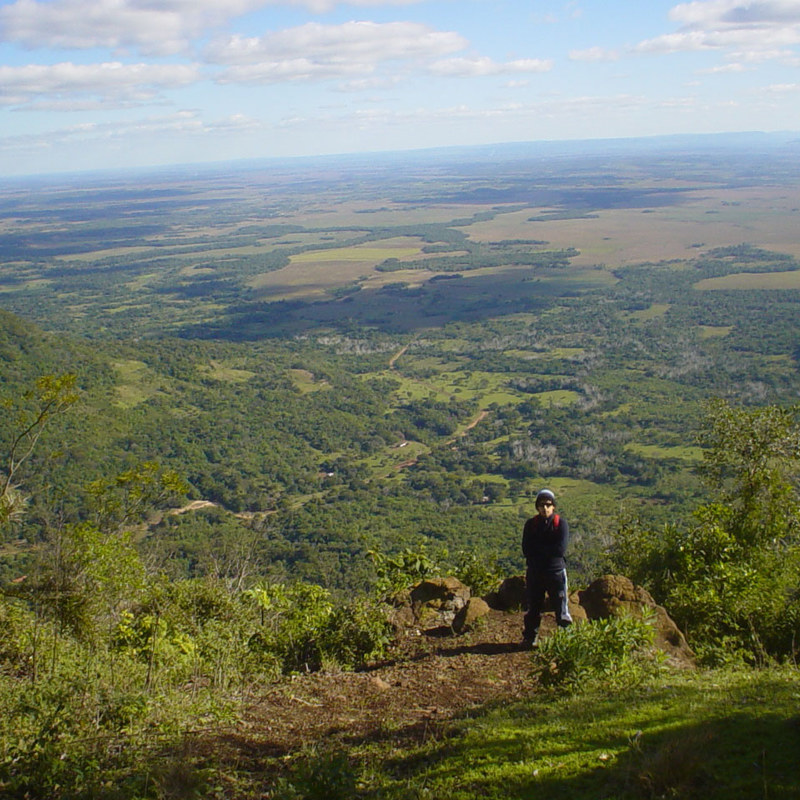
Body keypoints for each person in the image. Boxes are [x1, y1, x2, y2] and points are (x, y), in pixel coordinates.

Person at [521, 488, 572, 646]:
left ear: (553, 506)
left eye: (548, 505)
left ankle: (566, 641)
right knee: (533, 607)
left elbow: (560, 549)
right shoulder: (531, 525)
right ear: (537, 507)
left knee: (561, 607)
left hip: (555, 572)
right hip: (535, 572)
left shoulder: (560, 524)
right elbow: (526, 549)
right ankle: (530, 638)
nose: (545, 508)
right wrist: (547, 550)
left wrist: (539, 550)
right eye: (542, 505)